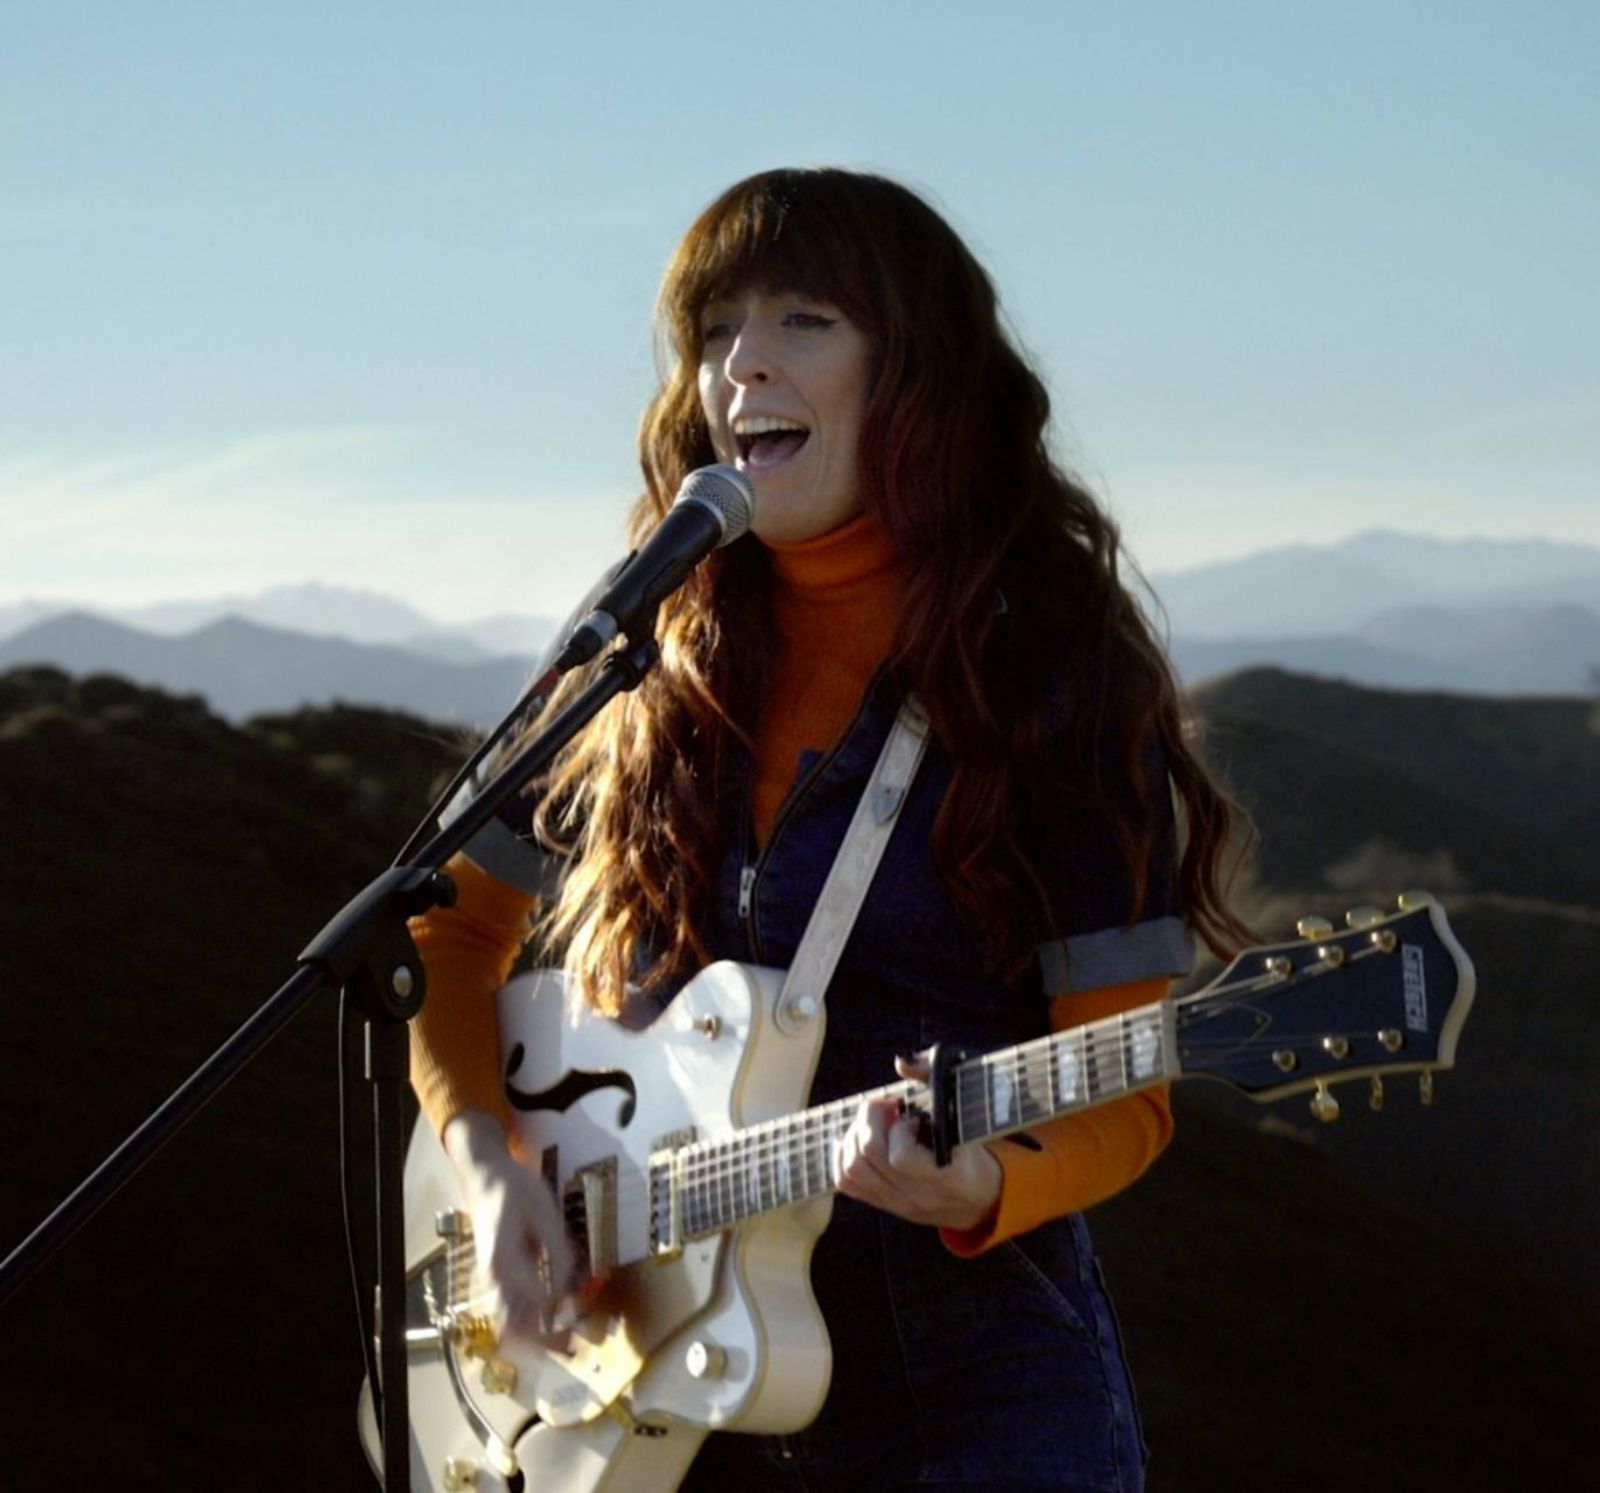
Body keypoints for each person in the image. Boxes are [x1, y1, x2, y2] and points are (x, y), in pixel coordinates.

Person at [407, 167, 1249, 1492]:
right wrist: (495, 1173)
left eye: (804, 319)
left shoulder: (1055, 667)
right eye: (713, 329)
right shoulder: (649, 652)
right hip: (664, 1396)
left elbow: (1129, 1089)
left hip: (974, 1400)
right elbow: (443, 928)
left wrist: (980, 1187)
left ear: (917, 375)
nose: (742, 363)